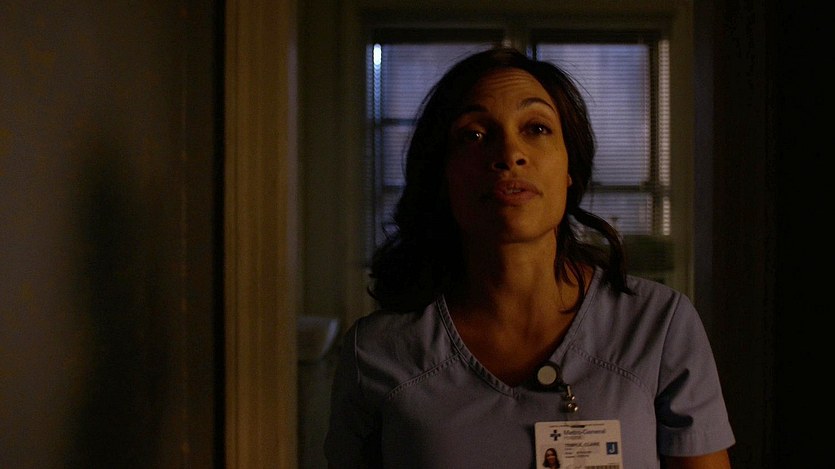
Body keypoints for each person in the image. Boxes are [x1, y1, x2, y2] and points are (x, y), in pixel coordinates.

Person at [324, 46, 735, 468]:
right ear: (442, 174)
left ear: (569, 168)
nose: (509, 155)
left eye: (536, 129)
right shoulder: (376, 351)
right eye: (474, 135)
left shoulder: (658, 326)